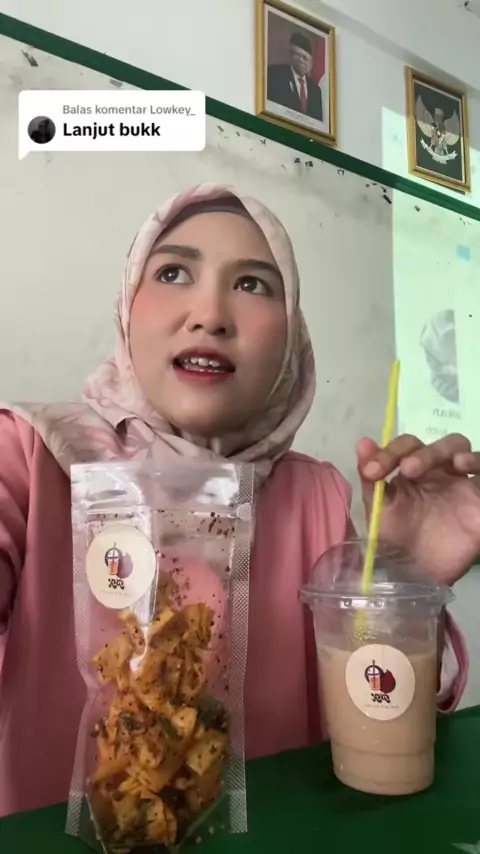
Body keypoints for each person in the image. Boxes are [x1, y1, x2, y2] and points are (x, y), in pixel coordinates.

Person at [0, 183, 478, 818]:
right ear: (127, 307)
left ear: (292, 340)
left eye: (253, 284)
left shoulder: (317, 499)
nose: (210, 314)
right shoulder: (31, 457)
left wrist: (402, 583)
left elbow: (377, 722)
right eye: (173, 273)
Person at [267, 32, 323, 121]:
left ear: (311, 62)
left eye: (305, 58)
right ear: (291, 54)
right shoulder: (275, 75)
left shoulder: (316, 91)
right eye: (297, 55)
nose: (301, 60)